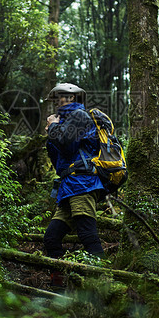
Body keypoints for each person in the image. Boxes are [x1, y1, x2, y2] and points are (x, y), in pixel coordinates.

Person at [43, 82, 106, 262]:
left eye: (59, 98)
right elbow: (59, 161)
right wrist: (52, 133)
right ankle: (60, 284)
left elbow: (67, 145)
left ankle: (104, 281)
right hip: (69, 186)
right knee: (51, 239)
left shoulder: (79, 116)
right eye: (54, 100)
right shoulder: (65, 121)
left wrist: (54, 128)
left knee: (87, 235)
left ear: (71, 97)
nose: (56, 103)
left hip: (83, 184)